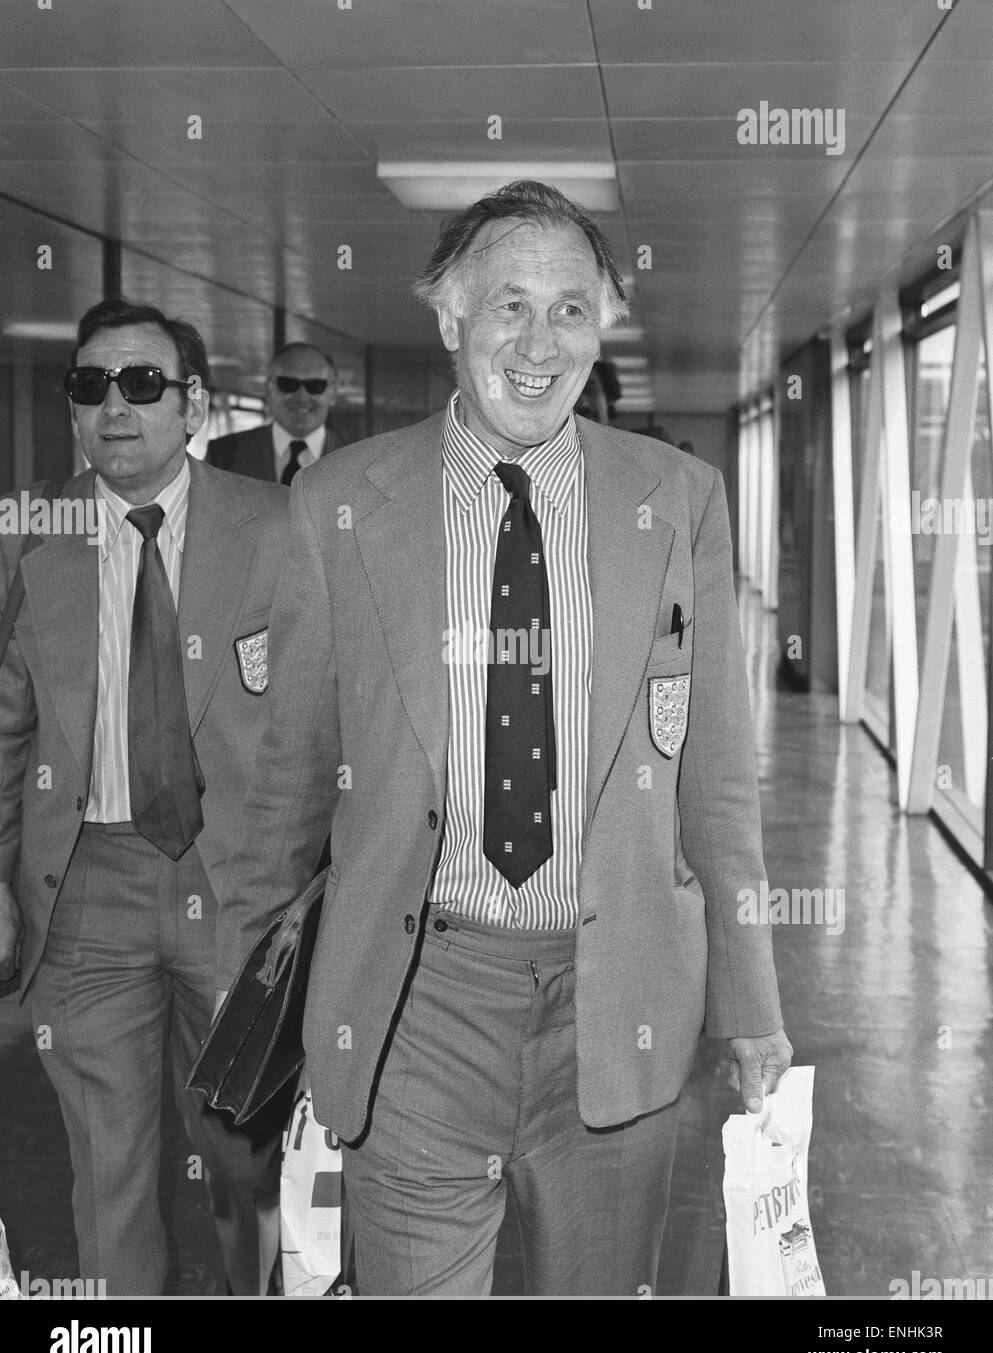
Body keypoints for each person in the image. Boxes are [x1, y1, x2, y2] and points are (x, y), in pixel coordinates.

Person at [214, 180, 792, 1296]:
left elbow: (717, 779)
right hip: (417, 997)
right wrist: (260, 1007)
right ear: (450, 322)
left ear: (603, 327)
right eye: (508, 306)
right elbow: (285, 788)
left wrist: (751, 1004)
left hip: (617, 991)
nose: (539, 342)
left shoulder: (678, 500)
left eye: (572, 309)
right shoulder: (339, 506)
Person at [0, 298, 289, 1296]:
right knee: (108, 1170)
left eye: (141, 383)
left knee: (244, 1160)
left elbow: (332, 719)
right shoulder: (32, 547)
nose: (114, 405)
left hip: (237, 887)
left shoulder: (278, 530)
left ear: (194, 404)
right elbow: (4, 731)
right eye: (90, 386)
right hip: (89, 891)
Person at [207, 343, 336, 484]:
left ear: (333, 392)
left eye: (315, 386)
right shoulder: (222, 455)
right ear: (268, 389)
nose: (301, 396)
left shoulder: (360, 459)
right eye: (288, 384)